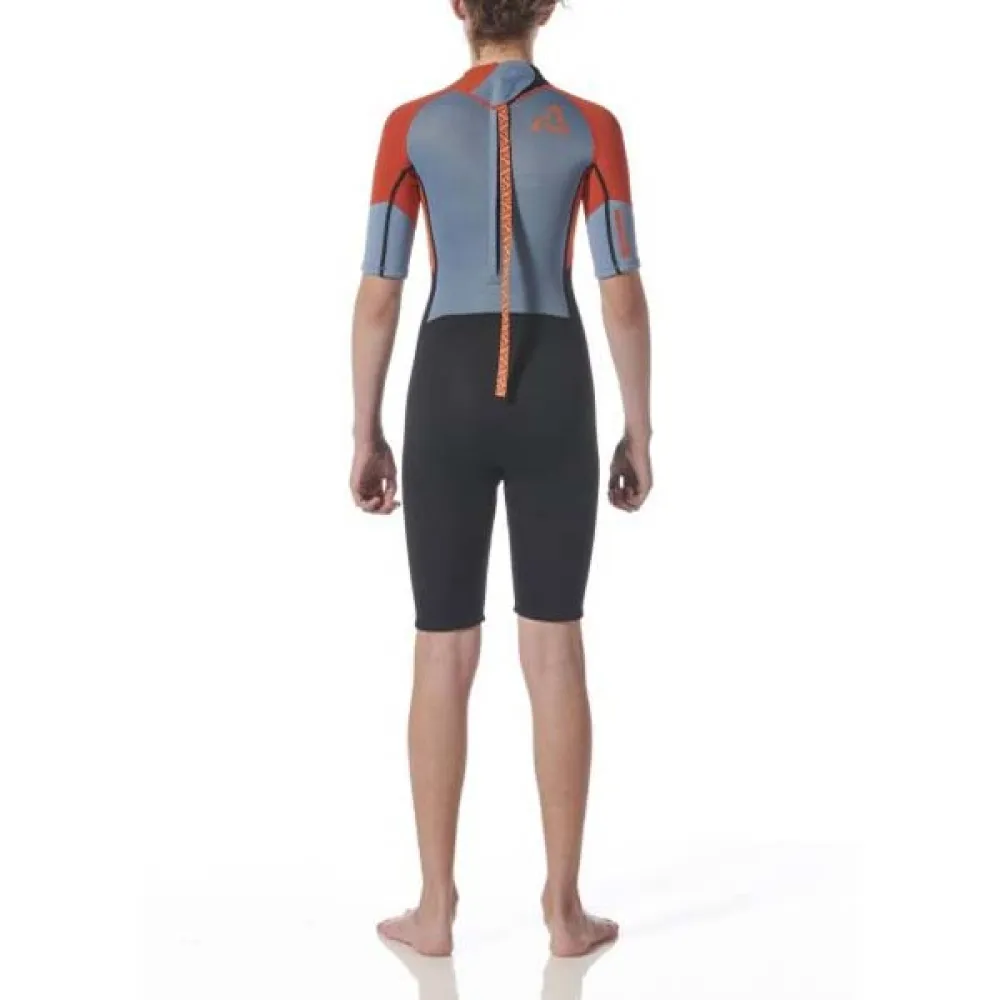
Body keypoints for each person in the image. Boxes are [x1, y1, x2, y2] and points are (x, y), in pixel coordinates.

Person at [350, 0, 653, 958]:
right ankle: (564, 910)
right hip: (555, 385)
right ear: (548, 7)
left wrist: (365, 429)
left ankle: (435, 911)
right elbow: (622, 294)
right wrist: (639, 428)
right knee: (553, 646)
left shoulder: (410, 127)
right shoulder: (593, 127)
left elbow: (380, 295)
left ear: (457, 7)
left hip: (445, 384)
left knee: (442, 648)